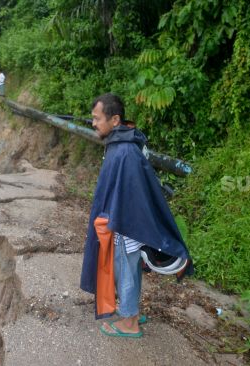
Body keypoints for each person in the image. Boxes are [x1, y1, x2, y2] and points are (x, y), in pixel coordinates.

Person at [79, 93, 193, 338]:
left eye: (97, 118)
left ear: (115, 119)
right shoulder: (121, 145)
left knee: (125, 271)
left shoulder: (124, 151)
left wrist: (116, 221)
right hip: (127, 222)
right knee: (129, 269)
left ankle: (129, 322)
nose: (94, 123)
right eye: (93, 119)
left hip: (126, 224)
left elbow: (130, 193)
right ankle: (131, 311)